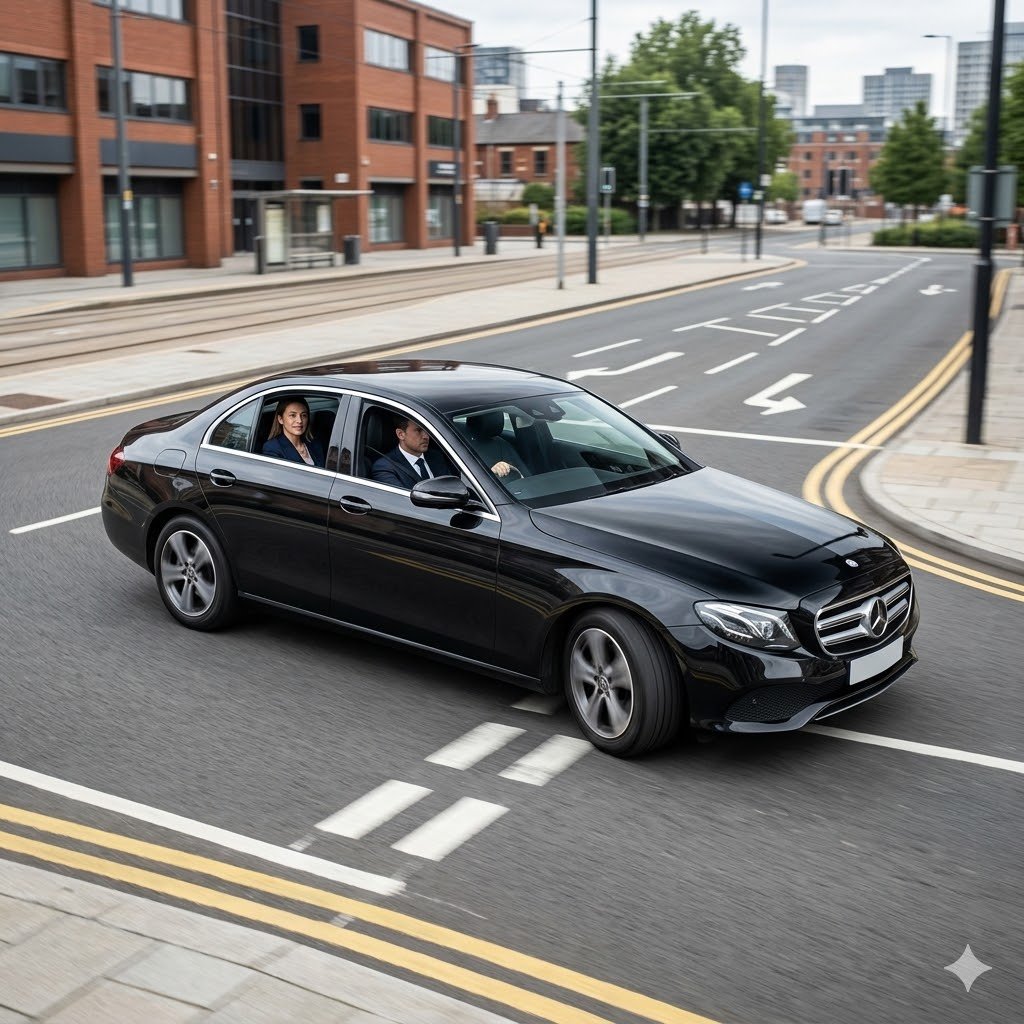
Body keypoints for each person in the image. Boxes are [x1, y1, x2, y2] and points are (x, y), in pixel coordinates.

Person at [370, 418, 458, 488]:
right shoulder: (385, 467)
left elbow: (452, 488)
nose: (426, 436)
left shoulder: (436, 456)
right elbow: (401, 502)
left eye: (427, 430)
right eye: (418, 430)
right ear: (401, 434)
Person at [262, 396, 325, 467]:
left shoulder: (315, 444)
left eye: (304, 415)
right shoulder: (272, 448)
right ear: (280, 419)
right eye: (293, 415)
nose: (300, 420)